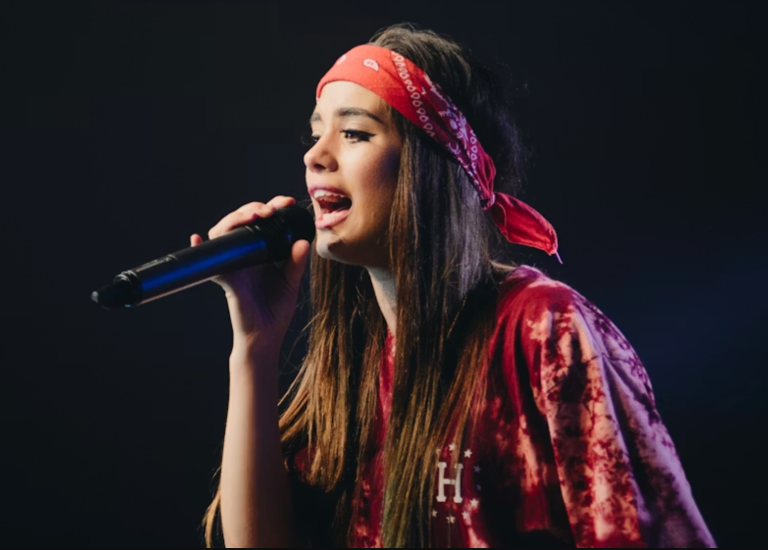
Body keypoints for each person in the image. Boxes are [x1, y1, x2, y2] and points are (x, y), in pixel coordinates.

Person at [198, 23, 715, 548]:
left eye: (354, 133)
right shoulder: (354, 359)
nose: (315, 156)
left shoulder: (544, 330)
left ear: (434, 162)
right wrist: (255, 344)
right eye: (316, 134)